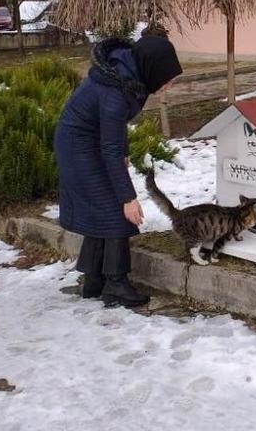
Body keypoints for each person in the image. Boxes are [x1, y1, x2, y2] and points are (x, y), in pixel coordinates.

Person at [54, 36, 182, 308]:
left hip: (88, 142)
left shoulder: (127, 78)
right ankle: (115, 285)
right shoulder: (116, 90)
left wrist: (124, 153)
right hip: (80, 147)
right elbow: (109, 146)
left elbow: (117, 126)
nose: (169, 86)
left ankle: (94, 280)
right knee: (116, 212)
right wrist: (128, 198)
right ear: (153, 69)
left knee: (102, 209)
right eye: (168, 80)